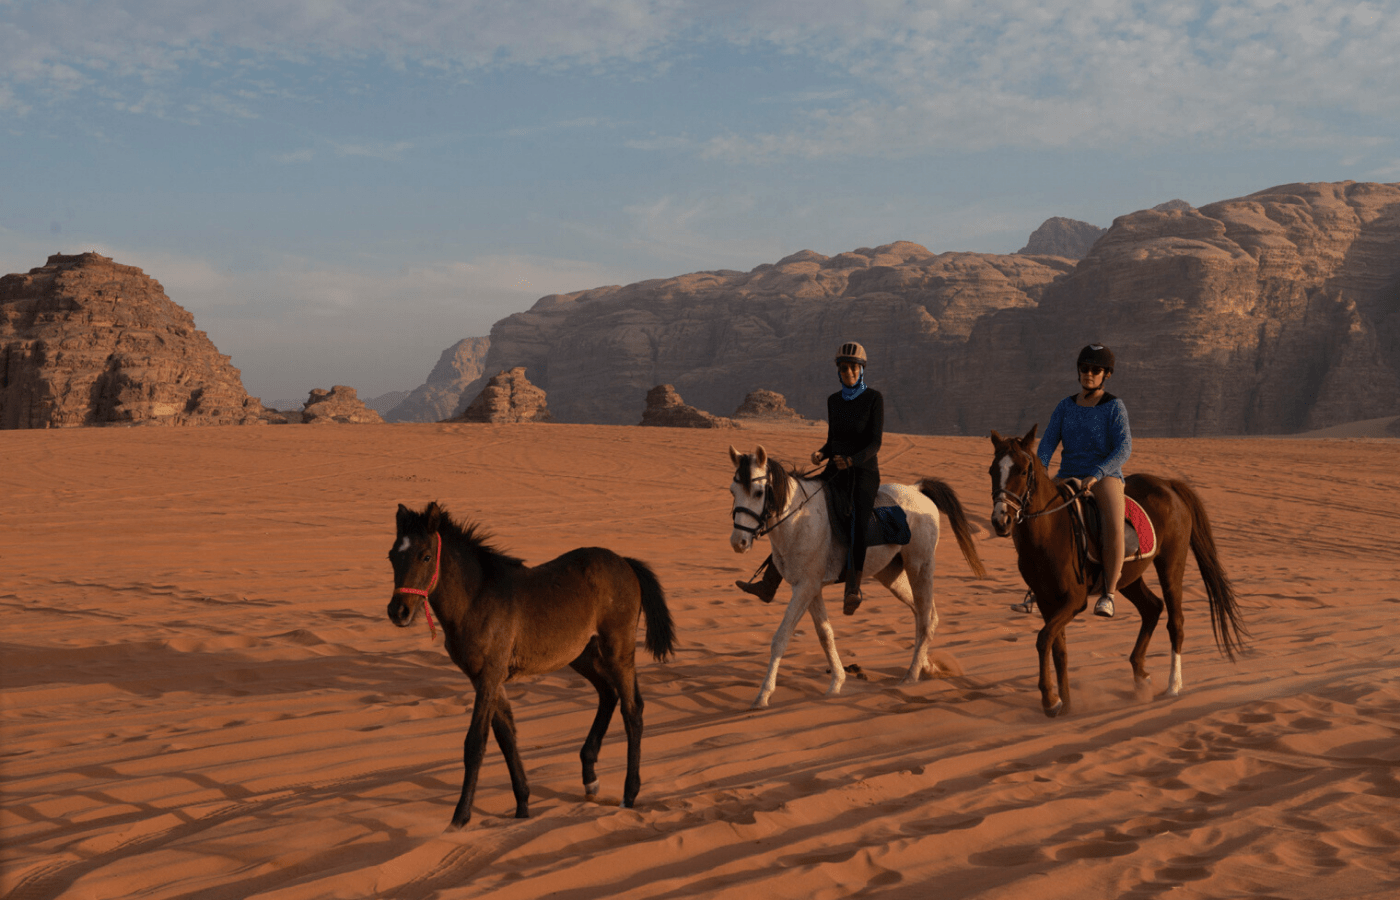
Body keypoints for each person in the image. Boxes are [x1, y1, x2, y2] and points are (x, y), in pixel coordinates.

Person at [735, 341, 884, 615]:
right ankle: (769, 584)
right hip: (834, 472)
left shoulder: (874, 399)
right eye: (843, 367)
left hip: (863, 474)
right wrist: (822, 453)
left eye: (853, 367)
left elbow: (875, 443)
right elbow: (833, 441)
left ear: (861, 370)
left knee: (858, 521)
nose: (848, 371)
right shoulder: (834, 401)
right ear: (838, 370)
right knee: (792, 514)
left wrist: (852, 460)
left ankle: (853, 587)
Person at [1018, 343, 1132, 618]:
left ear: (1107, 374)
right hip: (1068, 474)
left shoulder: (1114, 406)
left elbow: (1124, 447)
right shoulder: (1065, 406)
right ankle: (1036, 588)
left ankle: (1108, 594)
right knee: (1037, 521)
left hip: (1104, 477)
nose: (1088, 374)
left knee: (1113, 526)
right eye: (1084, 368)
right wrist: (1040, 470)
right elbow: (1046, 446)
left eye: (1095, 370)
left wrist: (1097, 473)